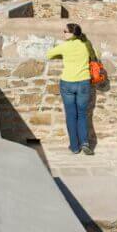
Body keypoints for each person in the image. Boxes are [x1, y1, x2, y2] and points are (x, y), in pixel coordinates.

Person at [46, 23, 95, 155]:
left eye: (65, 32)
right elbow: (96, 55)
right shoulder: (86, 45)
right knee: (82, 115)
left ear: (72, 34)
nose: (64, 34)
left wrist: (62, 55)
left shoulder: (64, 46)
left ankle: (74, 147)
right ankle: (85, 142)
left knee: (71, 115)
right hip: (84, 82)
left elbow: (49, 55)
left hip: (68, 83)